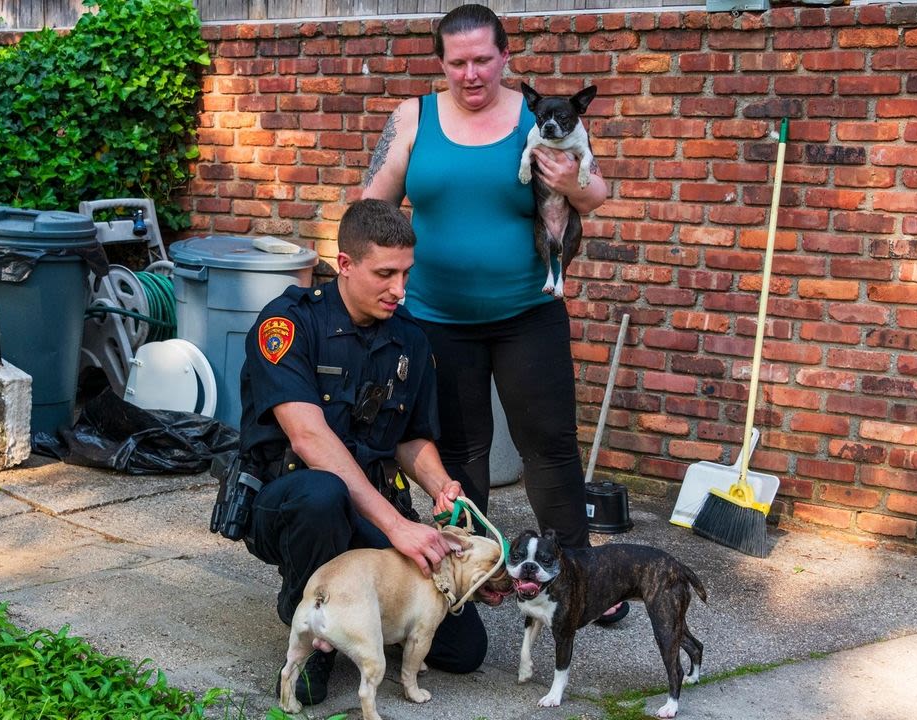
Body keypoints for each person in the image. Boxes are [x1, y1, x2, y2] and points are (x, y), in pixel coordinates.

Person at [360, 4, 628, 625]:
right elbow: (371, 205)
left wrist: (571, 177)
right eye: (457, 62)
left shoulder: (538, 119)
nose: (471, 74)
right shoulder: (413, 117)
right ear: (441, 62)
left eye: (483, 59)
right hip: (433, 318)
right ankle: (467, 578)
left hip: (527, 312)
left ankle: (581, 579)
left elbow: (596, 193)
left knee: (550, 448)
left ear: (506, 57)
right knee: (459, 454)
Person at [237, 198, 487, 707]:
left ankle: (368, 616)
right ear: (345, 265)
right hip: (290, 505)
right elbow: (308, 439)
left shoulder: (409, 339)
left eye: (406, 273)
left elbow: (411, 438)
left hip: (373, 504)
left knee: (464, 652)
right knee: (323, 492)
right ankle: (310, 620)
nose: (400, 289)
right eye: (385, 274)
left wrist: (441, 486)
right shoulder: (288, 324)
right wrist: (396, 528)